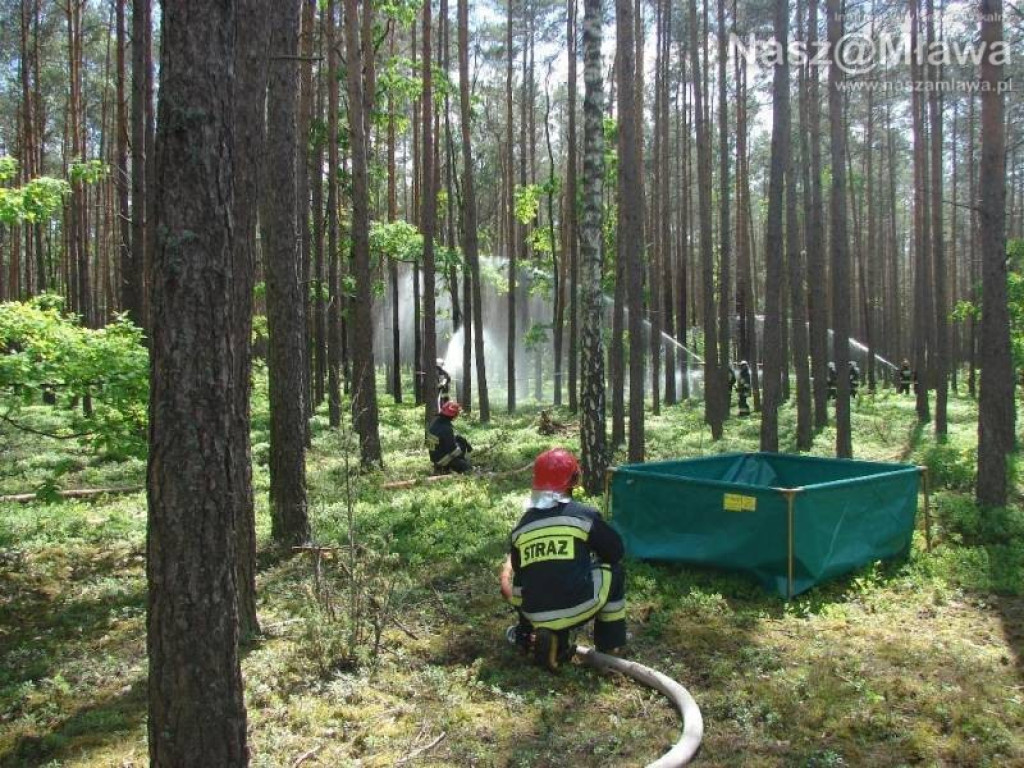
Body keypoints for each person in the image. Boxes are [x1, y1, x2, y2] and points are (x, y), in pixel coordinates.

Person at [500, 448, 627, 671]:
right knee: (614, 571)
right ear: (573, 480)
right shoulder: (583, 515)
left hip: (534, 613)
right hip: (576, 607)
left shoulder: (522, 525)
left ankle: (546, 641)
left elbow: (521, 575)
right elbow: (615, 552)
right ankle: (610, 645)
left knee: (534, 578)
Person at [426, 400, 472, 474]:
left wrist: (458, 438)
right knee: (468, 468)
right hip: (441, 460)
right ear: (454, 415)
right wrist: (464, 447)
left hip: (434, 457)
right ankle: (445, 467)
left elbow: (438, 441)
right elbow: (453, 451)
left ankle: (443, 467)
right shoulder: (446, 428)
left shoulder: (435, 423)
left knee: (460, 441)